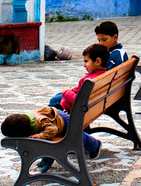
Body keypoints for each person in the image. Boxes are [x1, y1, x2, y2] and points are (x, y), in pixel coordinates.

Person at [34, 43, 108, 172]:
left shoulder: (89, 81)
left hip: (71, 112)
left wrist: (66, 92)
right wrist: (71, 90)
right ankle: (46, 155)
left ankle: (48, 154)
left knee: (49, 121)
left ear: (97, 61)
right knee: (51, 105)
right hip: (78, 110)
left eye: (86, 61)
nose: (84, 65)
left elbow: (77, 100)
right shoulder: (102, 76)